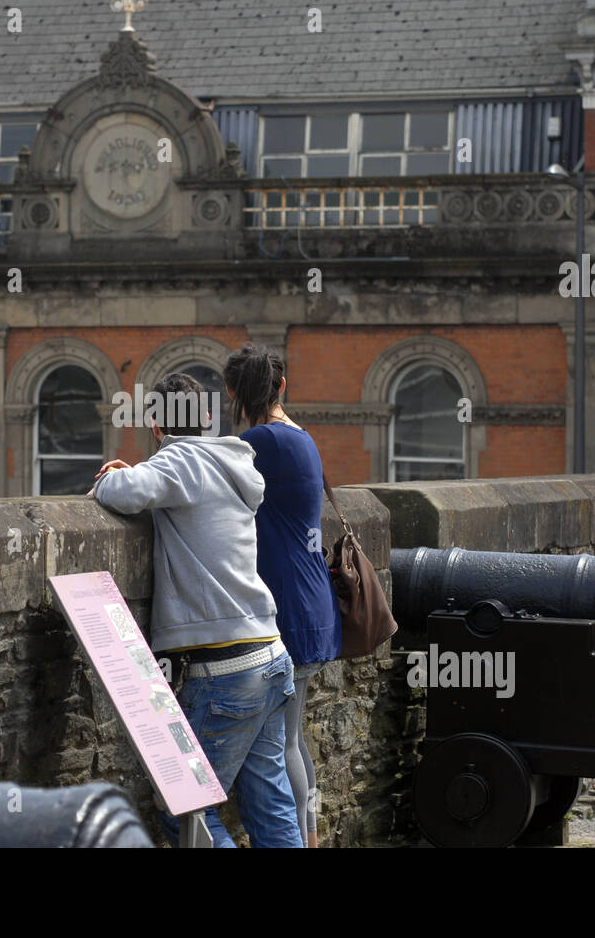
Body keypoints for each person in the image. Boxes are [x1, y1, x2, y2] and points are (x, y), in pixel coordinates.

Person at [90, 371, 303, 848]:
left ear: (155, 426)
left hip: (227, 670)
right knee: (269, 804)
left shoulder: (181, 462)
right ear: (207, 419)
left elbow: (121, 493)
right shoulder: (231, 461)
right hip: (270, 654)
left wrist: (115, 475)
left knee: (183, 812)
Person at [223, 343, 340, 848]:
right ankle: (310, 838)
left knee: (285, 744)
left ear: (233, 393)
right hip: (311, 602)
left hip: (287, 608)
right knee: (294, 740)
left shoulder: (260, 443)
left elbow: (201, 472)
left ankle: (302, 842)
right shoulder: (301, 438)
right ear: (283, 386)